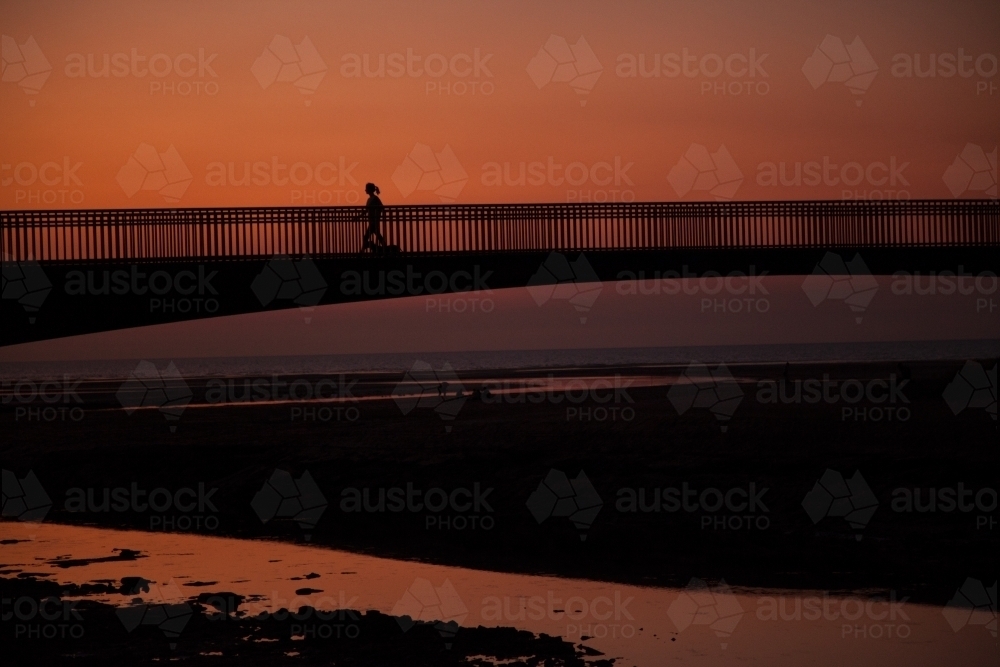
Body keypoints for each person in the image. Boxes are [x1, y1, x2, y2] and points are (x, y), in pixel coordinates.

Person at [361, 183, 385, 253]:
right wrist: (358, 217)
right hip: (372, 221)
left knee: (366, 237)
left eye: (366, 188)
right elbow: (366, 210)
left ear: (369, 189)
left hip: (374, 221)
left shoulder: (375, 198)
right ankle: (385, 249)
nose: (365, 190)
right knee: (378, 235)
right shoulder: (369, 199)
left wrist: (376, 215)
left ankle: (361, 252)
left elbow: (381, 208)